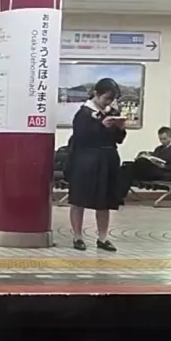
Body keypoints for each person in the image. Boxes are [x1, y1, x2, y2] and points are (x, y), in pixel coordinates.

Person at [65, 78, 127, 251]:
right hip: (85, 160)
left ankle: (103, 238)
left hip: (107, 159)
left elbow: (118, 140)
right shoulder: (83, 113)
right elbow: (81, 138)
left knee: (104, 201)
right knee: (79, 200)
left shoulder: (110, 112)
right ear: (96, 94)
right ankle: (77, 236)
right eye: (106, 98)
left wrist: (120, 128)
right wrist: (101, 126)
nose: (109, 102)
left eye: (112, 99)